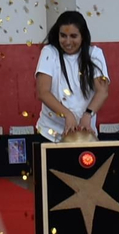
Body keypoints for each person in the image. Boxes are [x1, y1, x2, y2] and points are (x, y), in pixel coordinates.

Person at [36, 10, 110, 141]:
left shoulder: (95, 54)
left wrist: (88, 115)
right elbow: (43, 92)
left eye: (73, 36)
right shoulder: (49, 52)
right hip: (50, 133)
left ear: (83, 36)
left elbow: (102, 91)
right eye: (63, 36)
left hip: (84, 133)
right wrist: (67, 114)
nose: (68, 42)